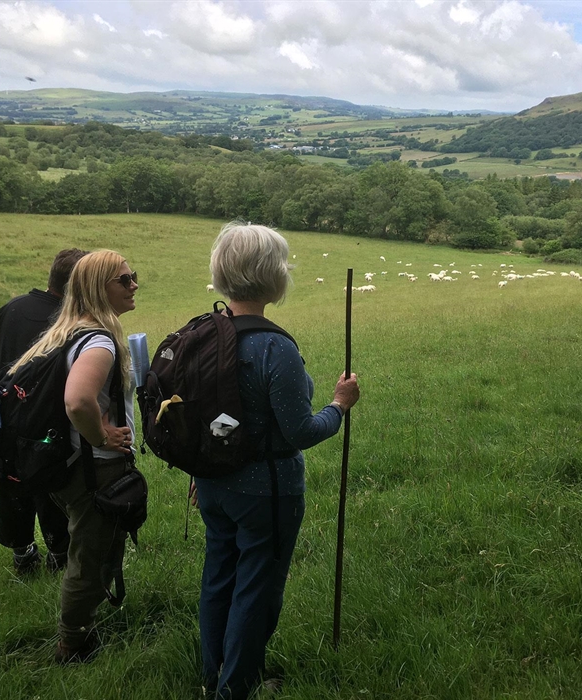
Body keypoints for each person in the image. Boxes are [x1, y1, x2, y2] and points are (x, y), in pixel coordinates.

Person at [195, 222, 360, 700]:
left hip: (213, 482)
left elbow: (215, 416)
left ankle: (213, 675)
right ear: (273, 277)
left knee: (219, 573)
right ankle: (237, 688)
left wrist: (205, 466)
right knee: (257, 588)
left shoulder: (206, 333)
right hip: (266, 491)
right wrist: (339, 406)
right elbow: (301, 432)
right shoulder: (275, 347)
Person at [6, 249, 139, 664]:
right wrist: (103, 434)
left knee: (86, 549)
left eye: (134, 276)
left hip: (64, 467)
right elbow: (78, 400)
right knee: (90, 558)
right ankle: (73, 645)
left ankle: (79, 628)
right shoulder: (99, 341)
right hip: (94, 468)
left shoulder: (66, 332)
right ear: (100, 288)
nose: (134, 284)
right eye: (125, 279)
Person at [0, 248, 88, 573]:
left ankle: (22, 553)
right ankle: (59, 553)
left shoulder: (11, 309)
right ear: (77, 283)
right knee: (51, 483)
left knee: (10, 482)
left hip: (5, 417)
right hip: (50, 422)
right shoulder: (68, 322)